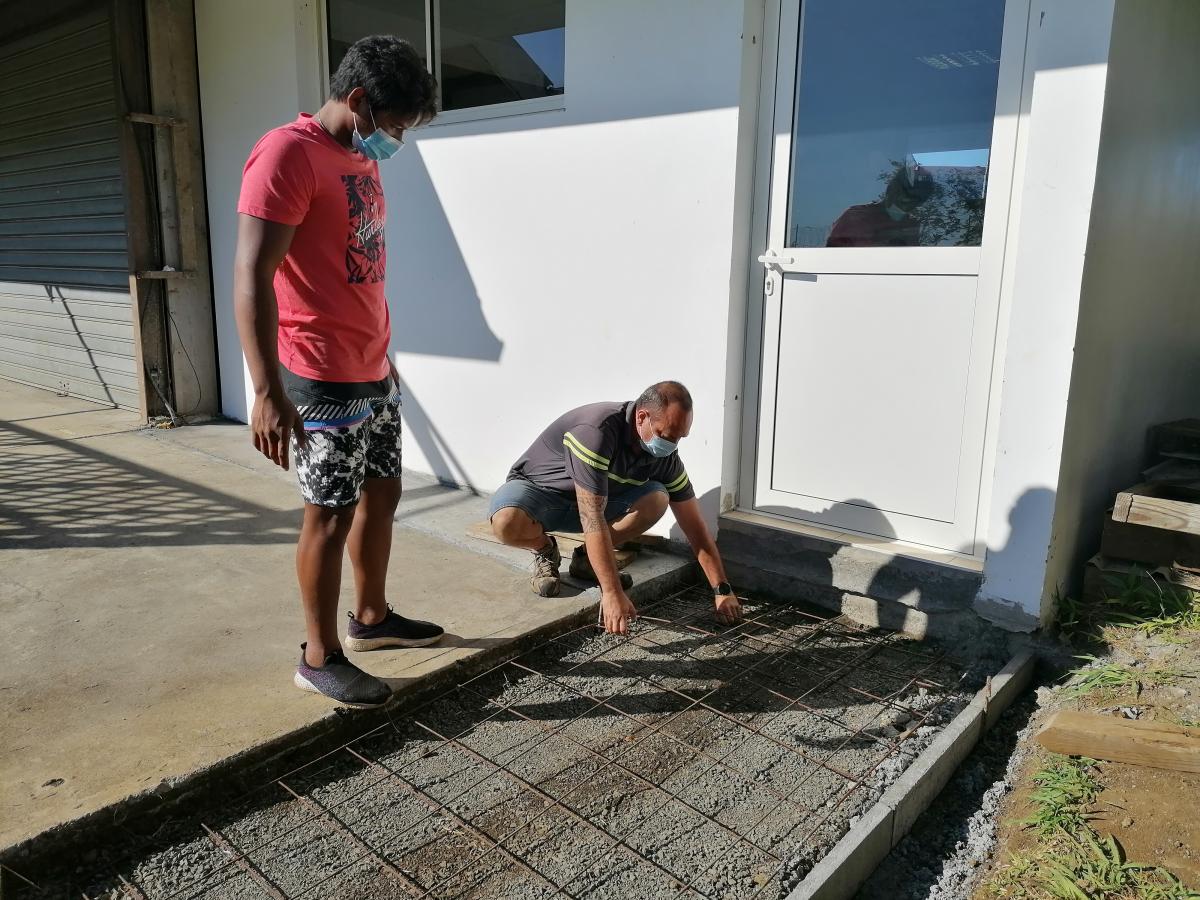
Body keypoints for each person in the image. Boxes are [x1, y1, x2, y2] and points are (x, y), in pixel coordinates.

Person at [234, 36, 443, 708]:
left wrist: (384, 356)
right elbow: (252, 275)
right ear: (357, 101)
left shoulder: (359, 153)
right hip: (320, 375)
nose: (395, 141)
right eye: (394, 127)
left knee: (383, 493)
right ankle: (319, 656)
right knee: (329, 514)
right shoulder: (286, 155)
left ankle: (372, 619)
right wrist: (265, 390)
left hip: (372, 365)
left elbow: (355, 265)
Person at [489, 382, 744, 634]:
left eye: (680, 438)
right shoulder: (596, 432)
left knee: (657, 498)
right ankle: (544, 549)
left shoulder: (666, 458)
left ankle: (587, 560)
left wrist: (722, 589)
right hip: (543, 495)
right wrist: (611, 592)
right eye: (666, 436)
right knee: (506, 522)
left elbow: (694, 527)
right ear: (642, 417)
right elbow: (592, 518)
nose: (672, 445)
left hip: (593, 505)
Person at [826, 164, 934, 247]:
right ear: (891, 187)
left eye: (917, 196)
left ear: (921, 201)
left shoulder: (913, 226)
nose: (907, 198)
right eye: (905, 189)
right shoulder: (855, 217)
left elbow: (913, 263)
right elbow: (831, 259)